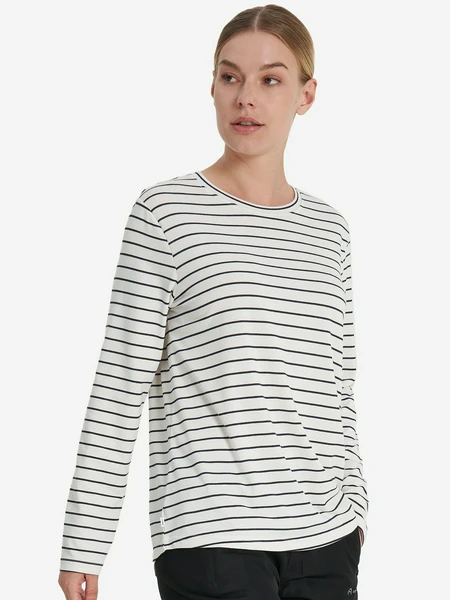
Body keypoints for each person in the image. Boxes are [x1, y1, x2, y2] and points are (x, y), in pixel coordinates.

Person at [58, 4, 369, 599]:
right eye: (231, 77)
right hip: (212, 539)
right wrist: (84, 542)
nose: (245, 97)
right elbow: (121, 382)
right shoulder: (166, 214)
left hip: (327, 539)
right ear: (213, 87)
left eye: (270, 79)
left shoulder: (329, 229)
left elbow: (337, 382)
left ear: (305, 95)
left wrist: (355, 507)